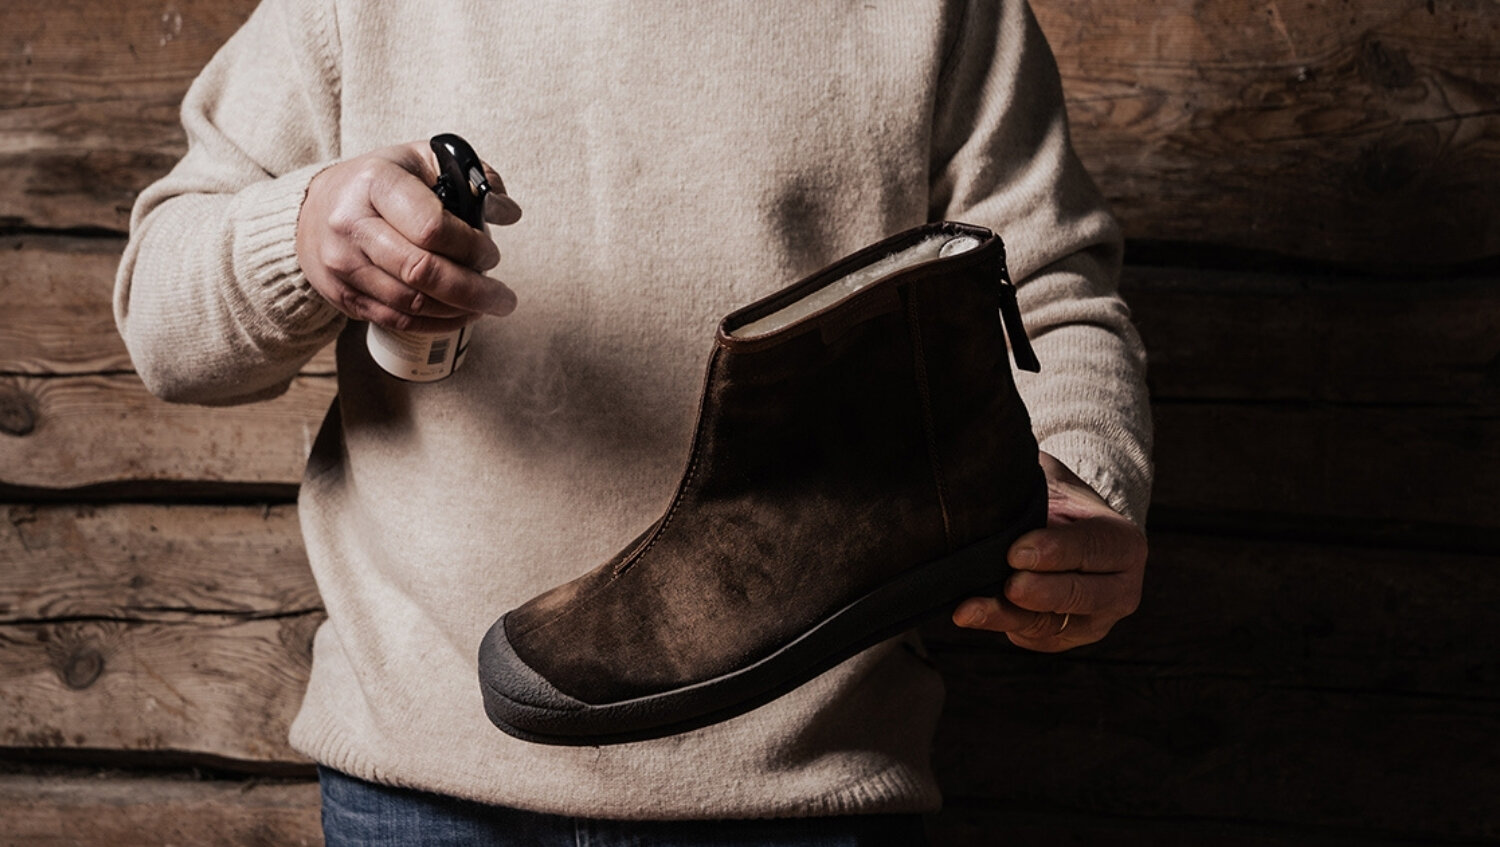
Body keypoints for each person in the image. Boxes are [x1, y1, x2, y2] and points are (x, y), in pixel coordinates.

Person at [115, 0, 1151, 843]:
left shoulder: (945, 11)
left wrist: (1074, 477)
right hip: (425, 787)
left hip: (803, 782)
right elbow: (166, 335)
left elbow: (1044, 286)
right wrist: (296, 235)